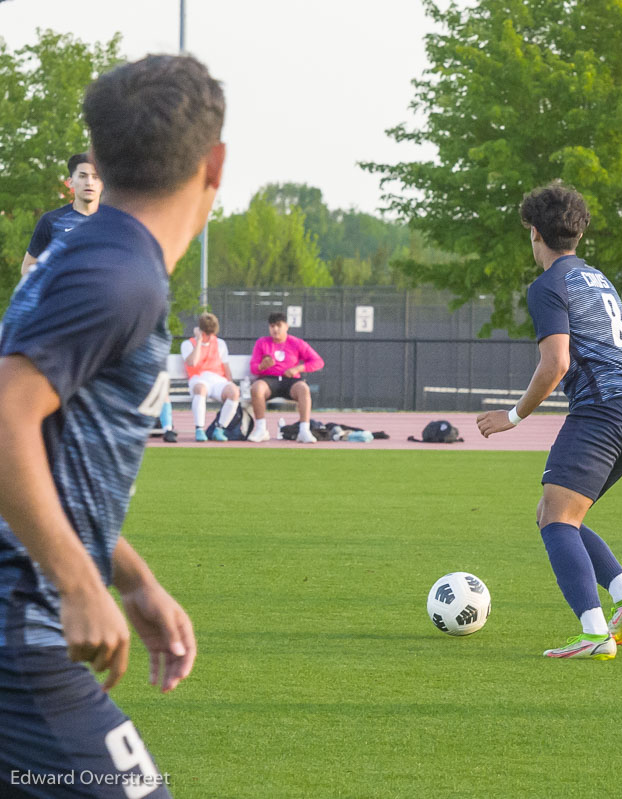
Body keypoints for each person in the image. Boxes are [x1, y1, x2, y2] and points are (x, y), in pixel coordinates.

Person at [0, 53, 223, 797]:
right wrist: (77, 583)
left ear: (96, 159)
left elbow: (57, 457)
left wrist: (130, 578)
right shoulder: (117, 273)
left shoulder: (100, 261)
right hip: (18, 637)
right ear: (214, 165)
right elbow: (4, 417)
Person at [477, 182, 622, 660]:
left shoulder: (548, 286)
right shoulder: (599, 280)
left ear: (534, 233)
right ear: (578, 233)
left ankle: (595, 634)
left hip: (603, 414)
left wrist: (512, 416)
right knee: (556, 516)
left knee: (556, 519)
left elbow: (555, 363)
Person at [20, 153, 104, 276]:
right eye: (82, 176)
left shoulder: (116, 222)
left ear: (102, 183)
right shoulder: (51, 221)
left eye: (95, 177)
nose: (89, 183)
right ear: (70, 182)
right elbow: (28, 267)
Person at [247, 313, 324, 443]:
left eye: (278, 325)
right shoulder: (262, 343)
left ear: (286, 326)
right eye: (272, 326)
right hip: (269, 380)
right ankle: (261, 429)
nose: (275, 329)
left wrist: (298, 368)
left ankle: (304, 430)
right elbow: (253, 367)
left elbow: (318, 361)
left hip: (291, 381)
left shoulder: (297, 343)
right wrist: (261, 366)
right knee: (257, 388)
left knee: (303, 389)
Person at [180, 312, 241, 441]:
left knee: (234, 392)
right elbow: (192, 362)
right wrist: (199, 341)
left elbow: (226, 367)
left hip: (217, 380)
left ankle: (219, 428)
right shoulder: (188, 344)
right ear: (200, 330)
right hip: (198, 378)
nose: (209, 336)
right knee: (200, 389)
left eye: (211, 333)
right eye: (205, 333)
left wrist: (231, 383)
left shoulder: (220, 344)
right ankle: (199, 429)